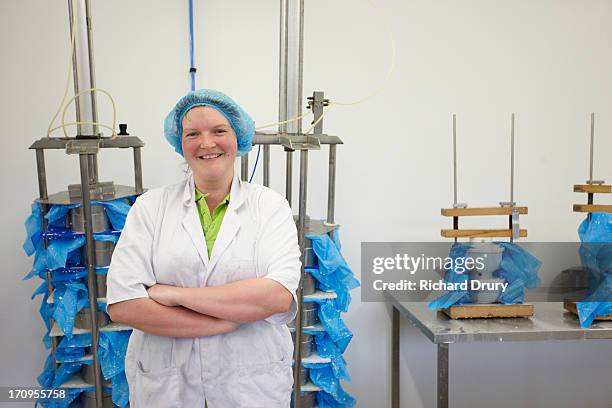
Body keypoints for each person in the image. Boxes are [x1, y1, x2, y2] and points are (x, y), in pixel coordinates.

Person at [106, 89, 301, 407]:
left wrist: (174, 295)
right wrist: (224, 322)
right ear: (180, 144)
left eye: (219, 131)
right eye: (193, 133)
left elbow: (277, 296)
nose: (206, 143)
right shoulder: (151, 207)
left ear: (238, 137)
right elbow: (124, 303)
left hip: (250, 385)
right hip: (169, 386)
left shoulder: (270, 207)